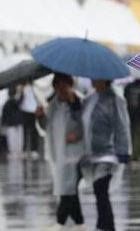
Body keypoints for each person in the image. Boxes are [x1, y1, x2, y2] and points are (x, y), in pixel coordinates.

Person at [80, 79, 131, 231]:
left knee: (100, 187)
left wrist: (123, 152)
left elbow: (122, 126)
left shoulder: (116, 100)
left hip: (109, 153)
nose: (92, 80)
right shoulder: (89, 99)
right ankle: (103, 224)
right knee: (98, 190)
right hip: (90, 153)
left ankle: (106, 225)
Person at [45, 74, 86, 231]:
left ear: (71, 85)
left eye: (65, 86)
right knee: (68, 188)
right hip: (60, 154)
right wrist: (40, 116)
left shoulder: (79, 102)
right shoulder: (52, 105)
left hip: (78, 154)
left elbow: (86, 123)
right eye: (58, 87)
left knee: (68, 188)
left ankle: (60, 222)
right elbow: (45, 127)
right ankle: (79, 223)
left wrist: (78, 134)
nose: (62, 90)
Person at [1, 87, 24, 159]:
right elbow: (21, 100)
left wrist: (4, 123)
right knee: (19, 140)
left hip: (11, 125)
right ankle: (19, 153)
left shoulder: (6, 104)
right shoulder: (16, 102)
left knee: (12, 140)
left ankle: (13, 153)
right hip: (18, 123)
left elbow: (4, 116)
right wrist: (22, 91)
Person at [20, 83, 40, 159]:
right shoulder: (23, 88)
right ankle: (25, 150)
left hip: (34, 110)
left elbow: (39, 98)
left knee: (34, 131)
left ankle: (34, 149)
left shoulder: (36, 87)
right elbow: (20, 99)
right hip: (25, 110)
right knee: (25, 131)